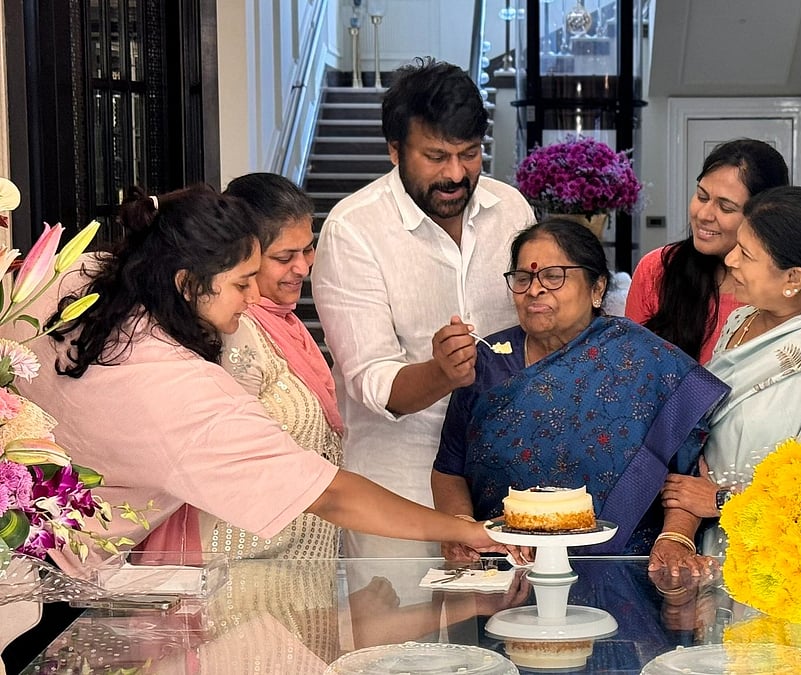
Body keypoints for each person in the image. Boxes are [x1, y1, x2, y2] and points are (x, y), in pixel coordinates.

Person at [10, 185, 512, 566]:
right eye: (242, 283)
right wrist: (464, 530)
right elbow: (332, 496)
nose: (254, 300)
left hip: (31, 551)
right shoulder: (179, 389)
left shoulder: (77, 276)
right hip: (55, 569)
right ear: (187, 283)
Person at [311, 58, 535, 558]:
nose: (455, 174)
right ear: (395, 151)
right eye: (436, 156)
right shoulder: (354, 230)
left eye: (470, 154)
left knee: (512, 628)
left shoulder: (512, 209)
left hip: (506, 469)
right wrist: (440, 372)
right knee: (401, 634)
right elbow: (371, 381)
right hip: (400, 487)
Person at [432, 219, 730, 556]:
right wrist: (461, 530)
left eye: (554, 276)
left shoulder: (645, 361)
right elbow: (449, 468)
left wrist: (675, 538)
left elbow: (687, 471)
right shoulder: (486, 362)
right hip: (504, 567)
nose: (534, 289)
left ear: (597, 288)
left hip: (620, 569)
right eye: (523, 278)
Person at [654, 186, 801, 566]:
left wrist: (722, 501)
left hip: (789, 570)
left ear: (794, 278)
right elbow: (700, 448)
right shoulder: (741, 322)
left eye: (746, 254)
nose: (731, 259)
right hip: (713, 553)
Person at [201, 172, 341, 560]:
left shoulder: (286, 325)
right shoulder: (236, 329)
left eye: (308, 251)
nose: (303, 268)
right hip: (247, 574)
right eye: (284, 257)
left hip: (303, 565)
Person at [625, 139, 789, 363]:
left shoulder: (787, 286)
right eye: (701, 196)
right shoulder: (658, 268)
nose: (704, 214)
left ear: (765, 214)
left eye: (726, 207)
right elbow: (631, 369)